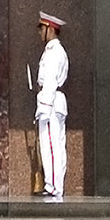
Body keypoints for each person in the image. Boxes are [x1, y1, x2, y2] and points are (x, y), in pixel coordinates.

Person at [34, 11, 69, 201]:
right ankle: (54, 185)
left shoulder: (54, 53)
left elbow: (49, 81)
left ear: (50, 29)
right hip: (54, 101)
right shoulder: (53, 51)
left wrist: (44, 108)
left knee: (51, 146)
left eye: (42, 29)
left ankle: (54, 186)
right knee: (55, 145)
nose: (40, 33)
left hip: (51, 102)